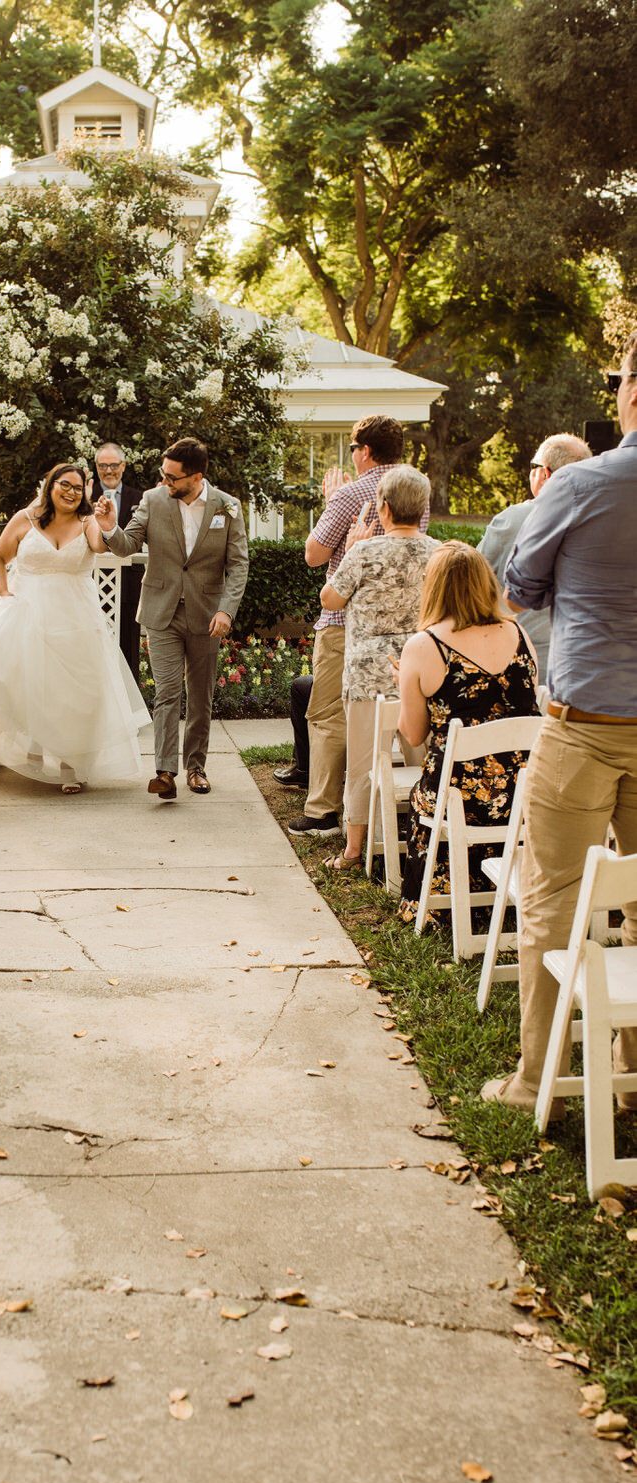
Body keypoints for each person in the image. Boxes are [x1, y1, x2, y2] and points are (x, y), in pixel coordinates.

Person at [480, 335, 637, 1114]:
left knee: (552, 901)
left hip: (584, 724)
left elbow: (520, 589)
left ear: (631, 393)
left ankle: (535, 1077)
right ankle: (632, 1067)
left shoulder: (578, 485)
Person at [0, 463, 149, 792]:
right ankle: (30, 751)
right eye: (64, 485)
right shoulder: (26, 518)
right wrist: (5, 593)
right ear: (50, 485)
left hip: (77, 618)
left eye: (78, 488)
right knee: (25, 682)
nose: (71, 492)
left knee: (75, 693)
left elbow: (100, 546)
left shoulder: (88, 522)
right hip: (28, 613)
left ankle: (70, 765)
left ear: (85, 493)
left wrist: (108, 525)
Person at [290, 414, 426, 838]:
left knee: (328, 712)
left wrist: (333, 501)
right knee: (407, 714)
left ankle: (324, 810)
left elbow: (314, 555)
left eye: (352, 448)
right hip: (410, 627)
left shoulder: (353, 492)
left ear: (364, 451)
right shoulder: (417, 488)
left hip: (349, 622)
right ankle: (421, 802)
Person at [97, 437, 248, 798]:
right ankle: (165, 772)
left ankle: (196, 767)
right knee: (166, 694)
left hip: (208, 614)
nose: (165, 482)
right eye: (163, 475)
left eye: (172, 478)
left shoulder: (228, 507)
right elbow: (127, 545)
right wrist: (108, 527)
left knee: (200, 696)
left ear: (196, 477)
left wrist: (227, 609)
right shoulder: (153, 499)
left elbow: (239, 564)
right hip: (161, 610)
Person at [396, 541, 539, 921]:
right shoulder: (520, 635)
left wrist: (406, 687)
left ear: (435, 587)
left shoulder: (425, 645)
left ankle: (438, 902)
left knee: (422, 794)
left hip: (458, 798)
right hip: (526, 794)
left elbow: (413, 736)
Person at [318, 466, 438, 870]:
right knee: (422, 759)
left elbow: (330, 601)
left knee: (363, 762)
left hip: (367, 674)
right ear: (422, 509)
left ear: (384, 509)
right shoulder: (439, 553)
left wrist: (350, 547)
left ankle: (354, 850)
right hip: (421, 671)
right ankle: (428, 839)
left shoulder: (364, 552)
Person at [478, 433, 591, 680]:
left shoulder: (511, 520)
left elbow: (474, 583)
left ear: (545, 474)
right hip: (584, 664)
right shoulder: (602, 521)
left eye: (534, 466)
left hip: (520, 661)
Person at [90, 441, 145, 679]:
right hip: (91, 585)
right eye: (103, 465)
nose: (109, 470)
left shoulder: (140, 497)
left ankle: (131, 711)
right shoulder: (84, 495)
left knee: (129, 649)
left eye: (114, 465)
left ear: (123, 466)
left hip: (130, 584)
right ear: (96, 466)